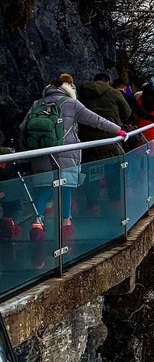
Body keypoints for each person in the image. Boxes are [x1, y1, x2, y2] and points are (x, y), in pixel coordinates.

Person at [21, 75, 126, 241]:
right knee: (66, 189)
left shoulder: (37, 103)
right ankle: (66, 225)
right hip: (65, 154)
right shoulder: (71, 103)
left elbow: (23, 127)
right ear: (69, 89)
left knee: (43, 189)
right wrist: (118, 131)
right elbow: (96, 120)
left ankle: (37, 223)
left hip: (40, 153)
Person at [77, 73, 132, 209]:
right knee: (113, 172)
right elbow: (127, 112)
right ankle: (115, 202)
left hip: (87, 140)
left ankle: (92, 204)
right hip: (110, 138)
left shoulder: (81, 94)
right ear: (107, 82)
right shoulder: (114, 93)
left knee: (92, 173)